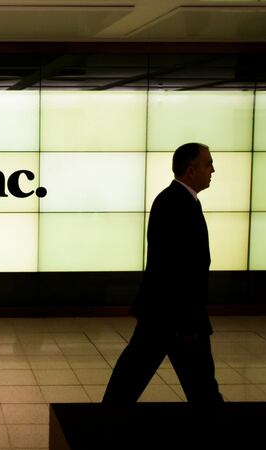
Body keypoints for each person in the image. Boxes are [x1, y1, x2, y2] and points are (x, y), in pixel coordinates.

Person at [102, 142, 223, 404]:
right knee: (201, 387)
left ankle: (104, 424)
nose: (213, 169)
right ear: (191, 170)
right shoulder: (177, 203)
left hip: (165, 313)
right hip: (176, 314)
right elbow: (177, 267)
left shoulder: (177, 200)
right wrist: (189, 320)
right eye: (208, 163)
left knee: (133, 375)